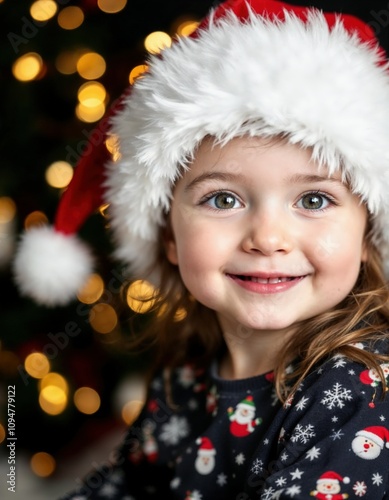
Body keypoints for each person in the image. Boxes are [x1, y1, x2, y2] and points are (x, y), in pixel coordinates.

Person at [12, 0, 389, 498]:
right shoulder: (186, 373)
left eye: (314, 199)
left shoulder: (361, 388)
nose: (268, 239)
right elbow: (128, 484)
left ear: (367, 236)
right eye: (223, 199)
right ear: (169, 236)